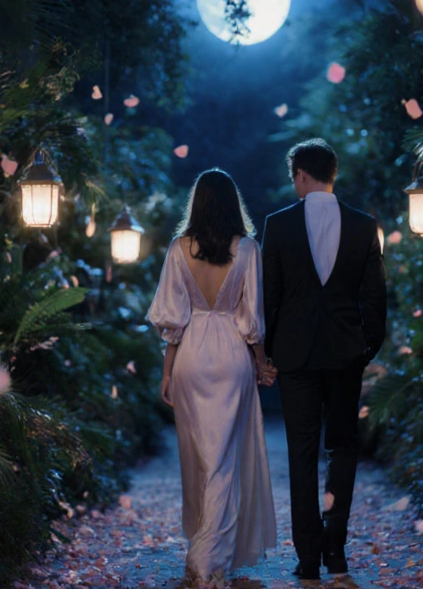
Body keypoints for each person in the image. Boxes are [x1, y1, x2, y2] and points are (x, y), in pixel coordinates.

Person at [261, 138, 387, 582]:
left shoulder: (277, 226)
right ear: (332, 173)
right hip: (345, 353)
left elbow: (270, 298)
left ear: (300, 175)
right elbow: (375, 296)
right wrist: (367, 346)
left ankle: (308, 558)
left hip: (295, 355)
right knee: (343, 447)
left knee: (301, 453)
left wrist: (269, 351)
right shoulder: (362, 225)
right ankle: (336, 550)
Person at [147, 168, 279, 586]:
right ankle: (209, 559)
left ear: (197, 203)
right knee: (225, 458)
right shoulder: (248, 249)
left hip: (190, 358)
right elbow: (251, 319)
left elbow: (173, 320)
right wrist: (260, 361)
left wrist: (167, 371)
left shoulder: (177, 249)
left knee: (200, 458)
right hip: (231, 356)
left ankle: (205, 554)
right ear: (232, 203)